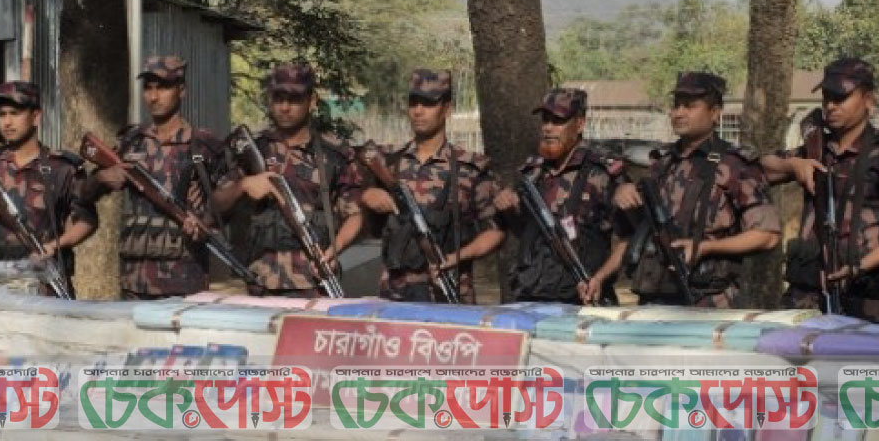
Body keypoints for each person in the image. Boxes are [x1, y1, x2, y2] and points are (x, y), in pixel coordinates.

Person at [760, 58, 879, 322]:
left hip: (868, 300)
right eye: (827, 97)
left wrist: (862, 265)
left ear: (868, 100)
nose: (830, 105)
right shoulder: (815, 149)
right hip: (807, 299)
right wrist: (792, 164)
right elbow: (754, 170)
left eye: (841, 98)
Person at [614, 72, 781, 307]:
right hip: (654, 299)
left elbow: (768, 236)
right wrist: (624, 194)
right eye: (676, 105)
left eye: (690, 106)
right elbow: (640, 226)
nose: (679, 113)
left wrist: (706, 247)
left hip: (709, 301)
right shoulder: (662, 164)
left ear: (715, 113)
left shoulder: (734, 165)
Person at [85, 55, 228, 299]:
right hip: (134, 283)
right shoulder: (130, 141)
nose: (153, 96)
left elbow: (229, 201)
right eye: (148, 88)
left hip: (184, 282)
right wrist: (101, 178)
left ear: (181, 90)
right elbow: (83, 193)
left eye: (162, 87)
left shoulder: (203, 145)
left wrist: (205, 221)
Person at [217, 63, 363, 297]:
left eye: (294, 99)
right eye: (278, 98)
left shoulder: (335, 155)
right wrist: (243, 185)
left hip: (314, 283)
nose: (285, 107)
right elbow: (215, 206)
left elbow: (354, 215)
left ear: (312, 101)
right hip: (259, 283)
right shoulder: (252, 150)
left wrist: (335, 250)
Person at [359, 70, 505, 303]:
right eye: (413, 103)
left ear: (447, 109)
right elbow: (362, 221)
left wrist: (458, 257)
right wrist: (368, 196)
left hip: (451, 295)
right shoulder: (388, 163)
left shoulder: (470, 168)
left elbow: (495, 231)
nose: (418, 111)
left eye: (428, 103)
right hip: (395, 297)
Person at [494, 87, 628, 305]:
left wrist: (599, 278)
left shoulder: (600, 173)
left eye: (558, 121)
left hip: (583, 299)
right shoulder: (532, 173)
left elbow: (627, 239)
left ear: (579, 124)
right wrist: (508, 208)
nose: (548, 128)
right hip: (533, 295)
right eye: (545, 120)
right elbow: (525, 233)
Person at [0, 80, 98, 295]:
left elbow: (87, 221)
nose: (7, 122)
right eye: (2, 114)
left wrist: (55, 246)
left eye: (15, 113)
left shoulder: (61, 168)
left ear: (36, 117)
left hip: (44, 281)